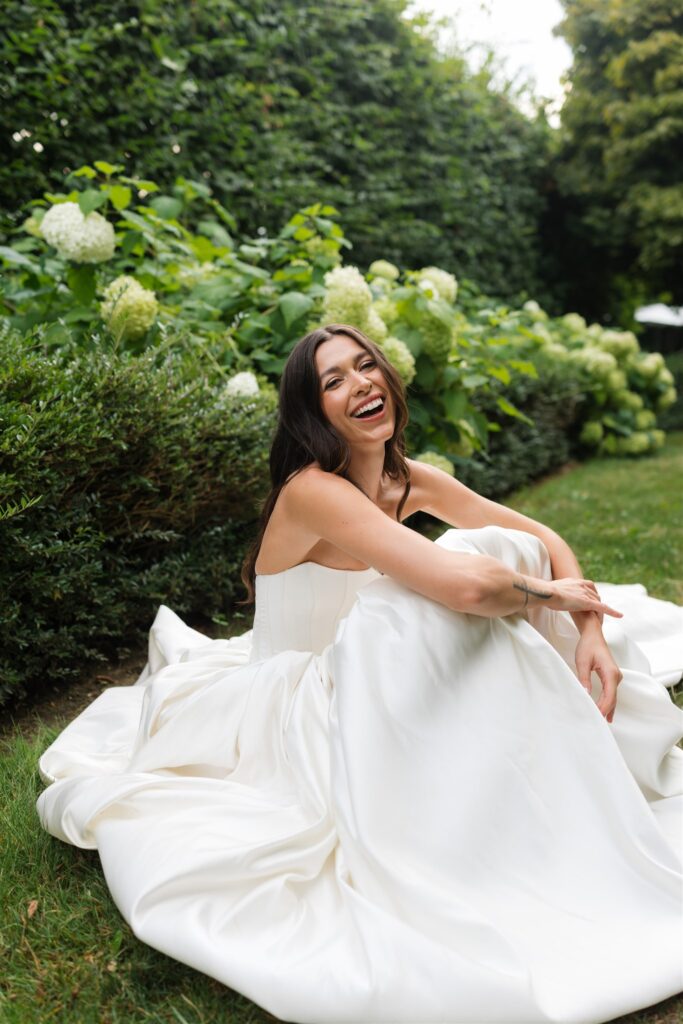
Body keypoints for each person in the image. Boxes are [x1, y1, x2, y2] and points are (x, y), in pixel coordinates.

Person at [38, 323, 683, 1024]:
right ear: (311, 414)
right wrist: (551, 596)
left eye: (364, 365)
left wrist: (587, 626)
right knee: (436, 590)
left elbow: (540, 539)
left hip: (377, 673)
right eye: (332, 381)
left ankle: (541, 771)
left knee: (491, 549)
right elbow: (465, 590)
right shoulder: (311, 491)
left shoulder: (410, 479)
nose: (360, 384)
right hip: (298, 698)